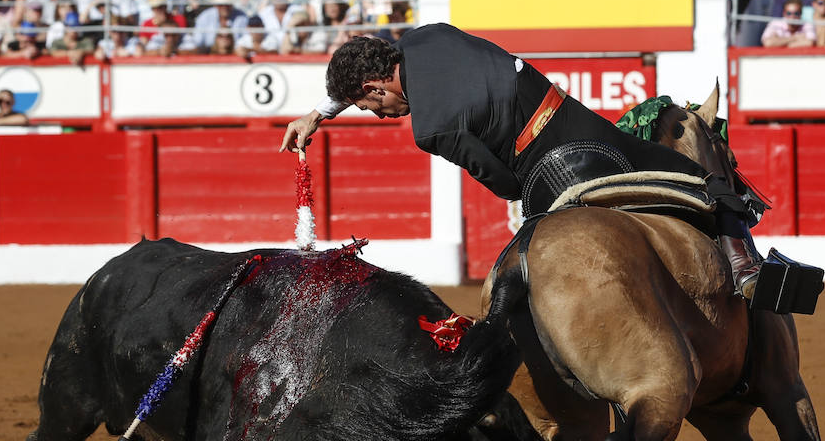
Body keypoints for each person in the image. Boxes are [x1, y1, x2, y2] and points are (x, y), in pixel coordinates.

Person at [278, 26, 769, 300]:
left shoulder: (430, 129)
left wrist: (525, 192)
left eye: (369, 106)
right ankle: (743, 263)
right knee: (689, 173)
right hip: (579, 126)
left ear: (374, 87)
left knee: (523, 280)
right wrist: (320, 112)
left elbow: (501, 181)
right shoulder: (426, 37)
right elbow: (375, 59)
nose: (380, 114)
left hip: (543, 176)